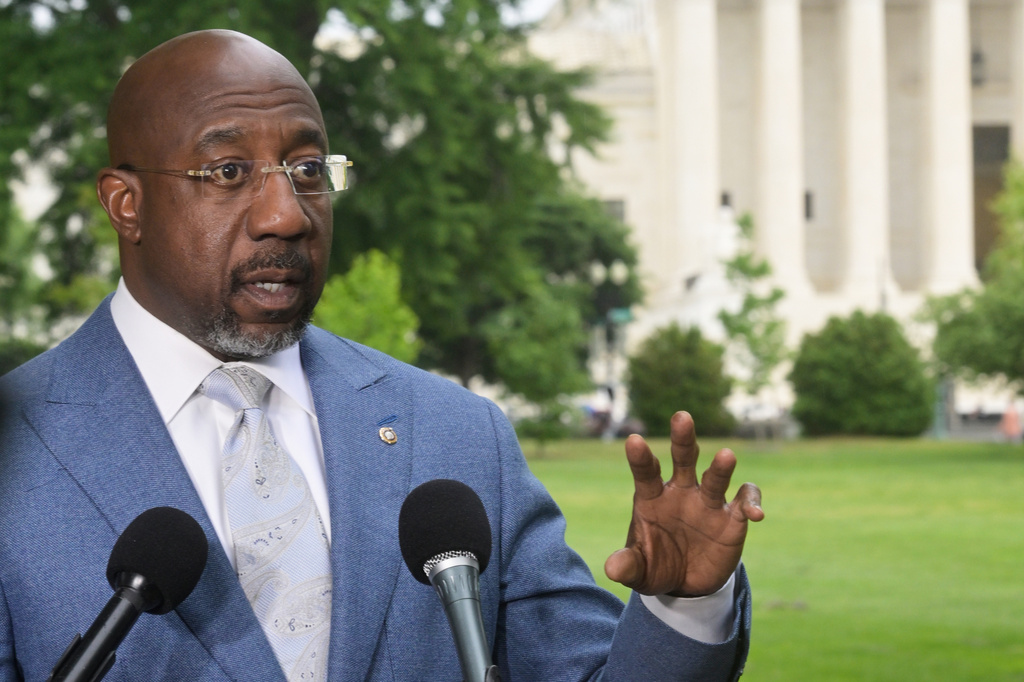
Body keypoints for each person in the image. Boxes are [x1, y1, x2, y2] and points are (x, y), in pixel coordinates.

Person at [0, 30, 763, 681]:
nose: (286, 214)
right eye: (228, 173)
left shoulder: (459, 439)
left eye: (308, 172)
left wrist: (686, 605)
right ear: (125, 204)